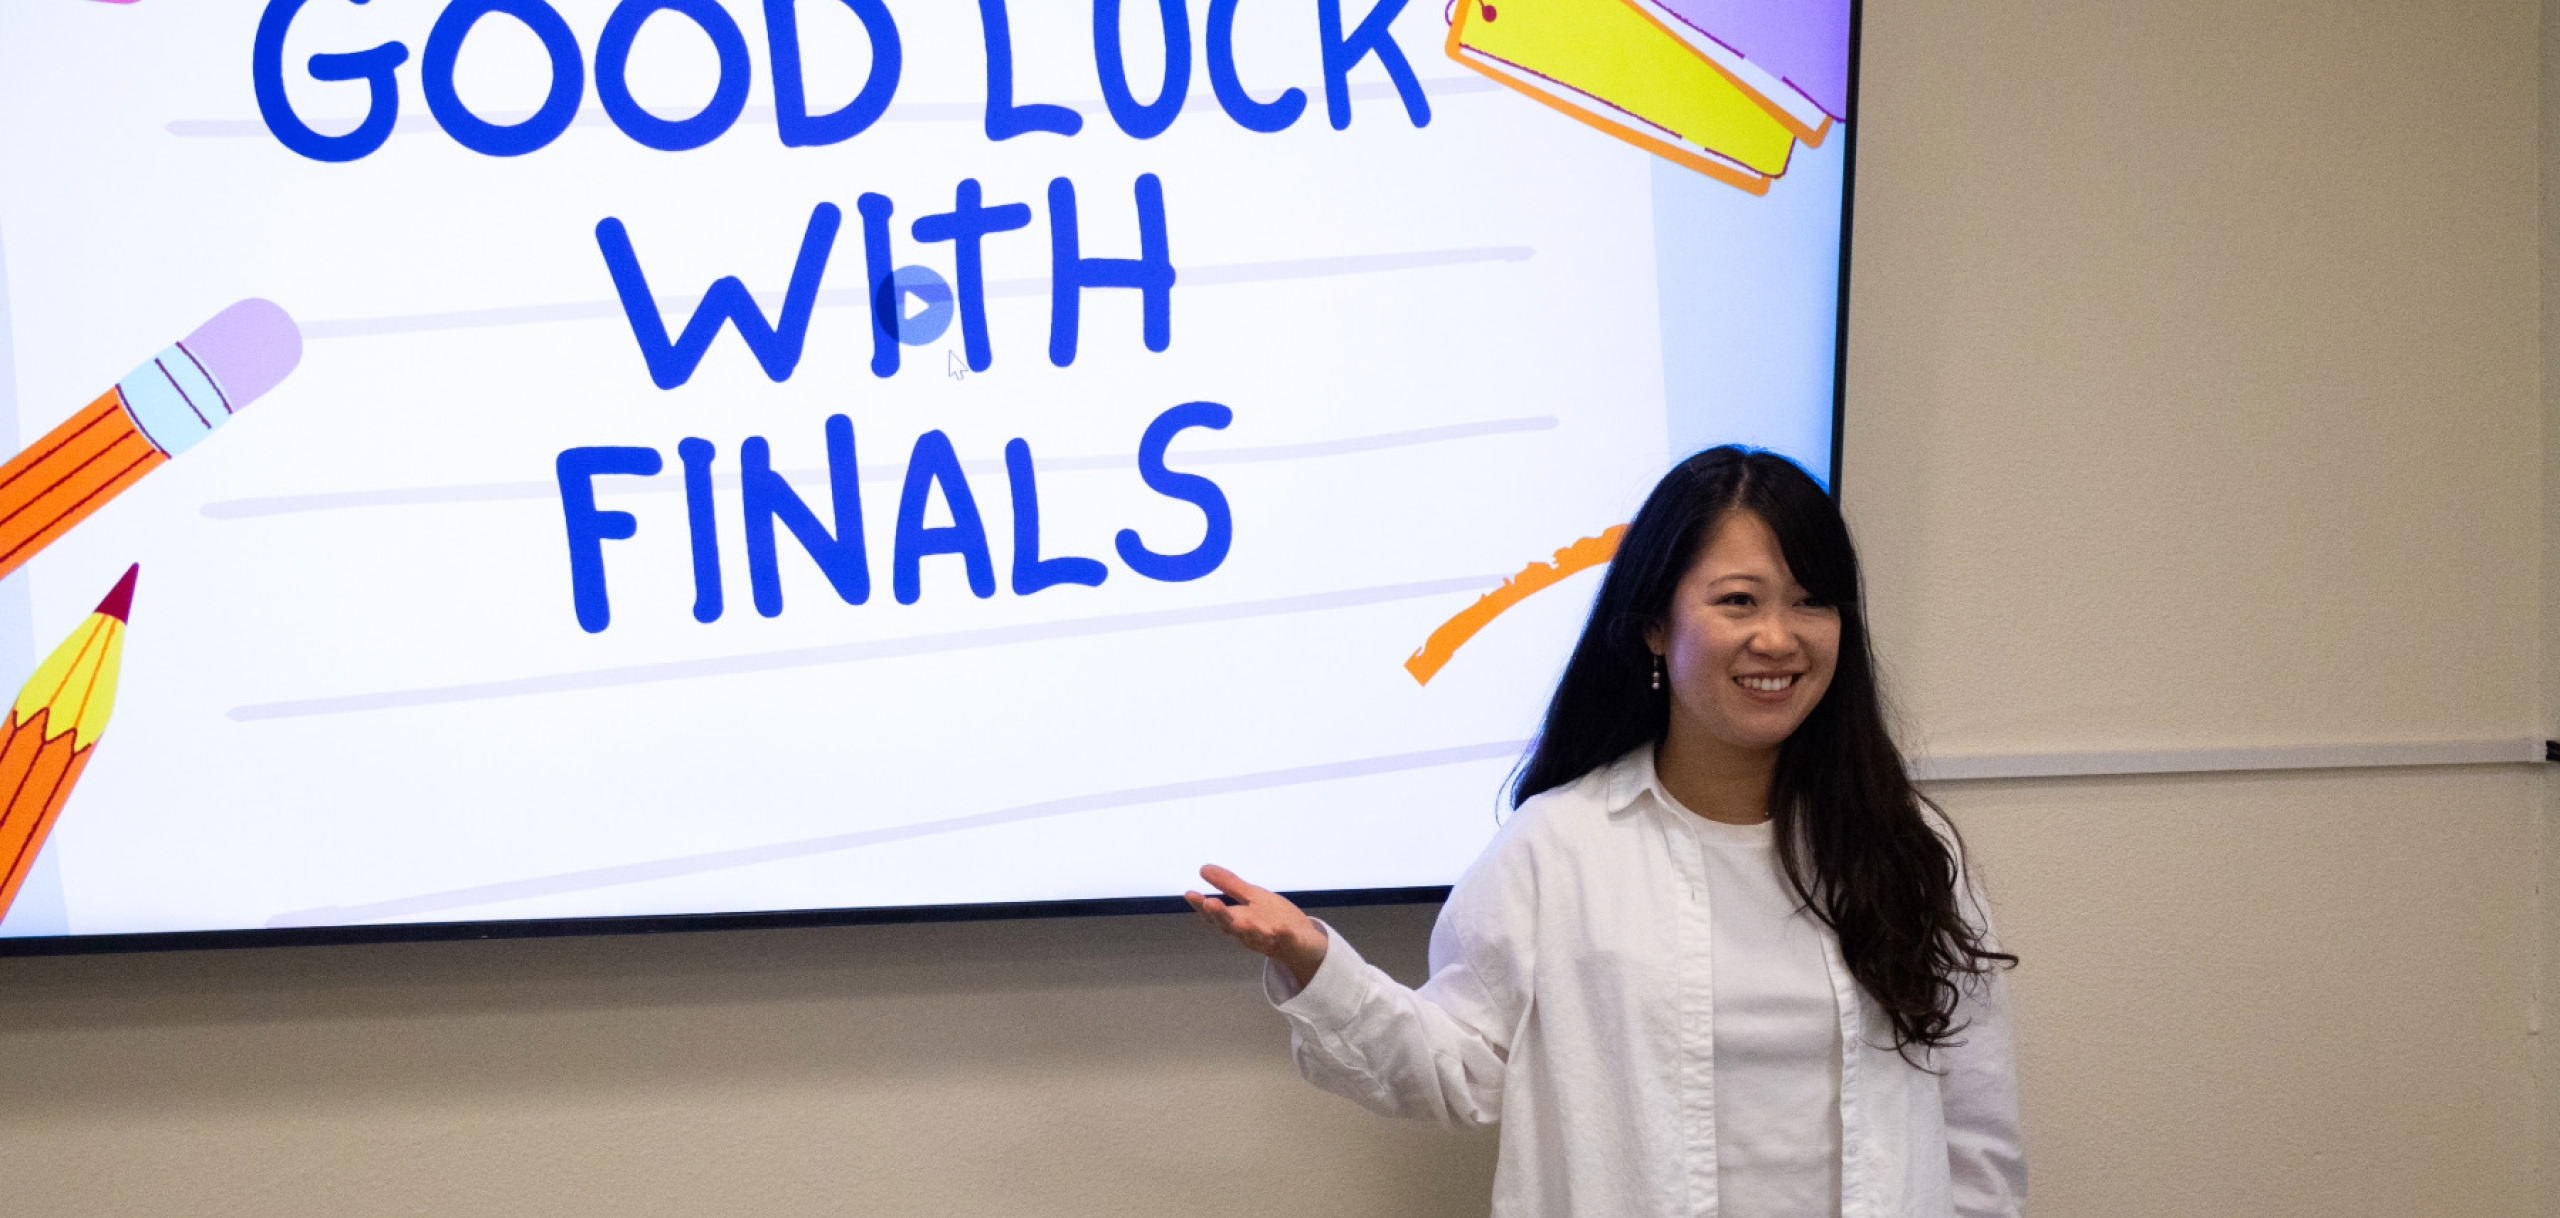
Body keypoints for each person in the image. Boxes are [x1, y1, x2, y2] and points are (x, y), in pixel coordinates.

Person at [1185, 446, 2025, 1217]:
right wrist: (1316, 964)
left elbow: (1975, 1132)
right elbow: (1456, 1071)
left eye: (1813, 602)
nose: (1779, 637)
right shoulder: (1559, 847)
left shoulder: (1908, 848)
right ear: (1656, 625)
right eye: (1738, 602)